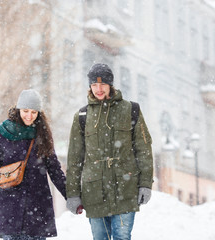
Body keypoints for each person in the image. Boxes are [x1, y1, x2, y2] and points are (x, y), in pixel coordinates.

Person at [66, 63, 154, 240]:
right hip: (94, 192)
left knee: (122, 236)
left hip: (125, 190)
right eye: (94, 85)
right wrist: (73, 193)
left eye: (103, 84)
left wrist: (145, 183)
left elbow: (143, 150)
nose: (98, 89)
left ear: (111, 85)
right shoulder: (82, 116)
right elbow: (74, 159)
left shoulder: (131, 110)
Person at [0, 89, 67, 240]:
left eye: (34, 112)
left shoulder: (42, 133)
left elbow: (55, 170)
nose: (29, 116)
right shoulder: (4, 132)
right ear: (18, 109)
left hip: (37, 208)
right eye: (25, 111)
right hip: (10, 207)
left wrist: (72, 197)